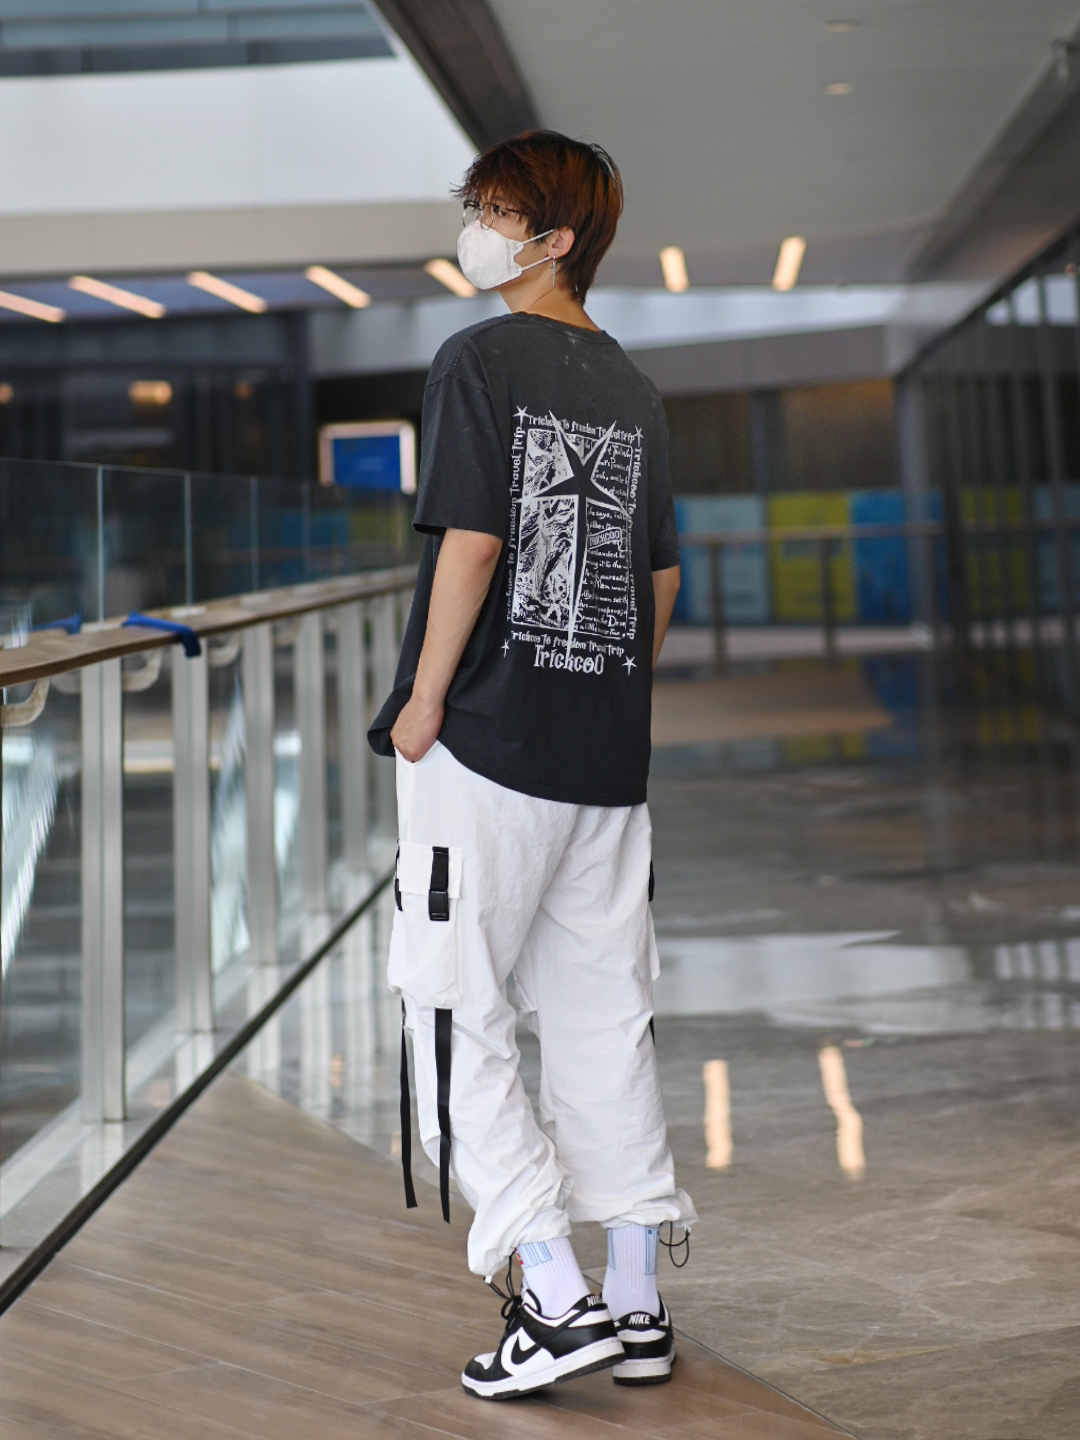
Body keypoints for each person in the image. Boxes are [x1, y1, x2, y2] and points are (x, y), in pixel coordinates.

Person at [368, 129, 696, 1401]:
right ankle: (637, 1298)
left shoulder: (479, 360)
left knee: (450, 1009)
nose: (477, 229)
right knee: (605, 1015)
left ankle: (553, 1298)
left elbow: (472, 541)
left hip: (487, 743)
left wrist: (424, 700)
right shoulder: (634, 387)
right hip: (602, 758)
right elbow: (661, 578)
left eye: (496, 212)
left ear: (553, 240)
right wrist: (606, 694)